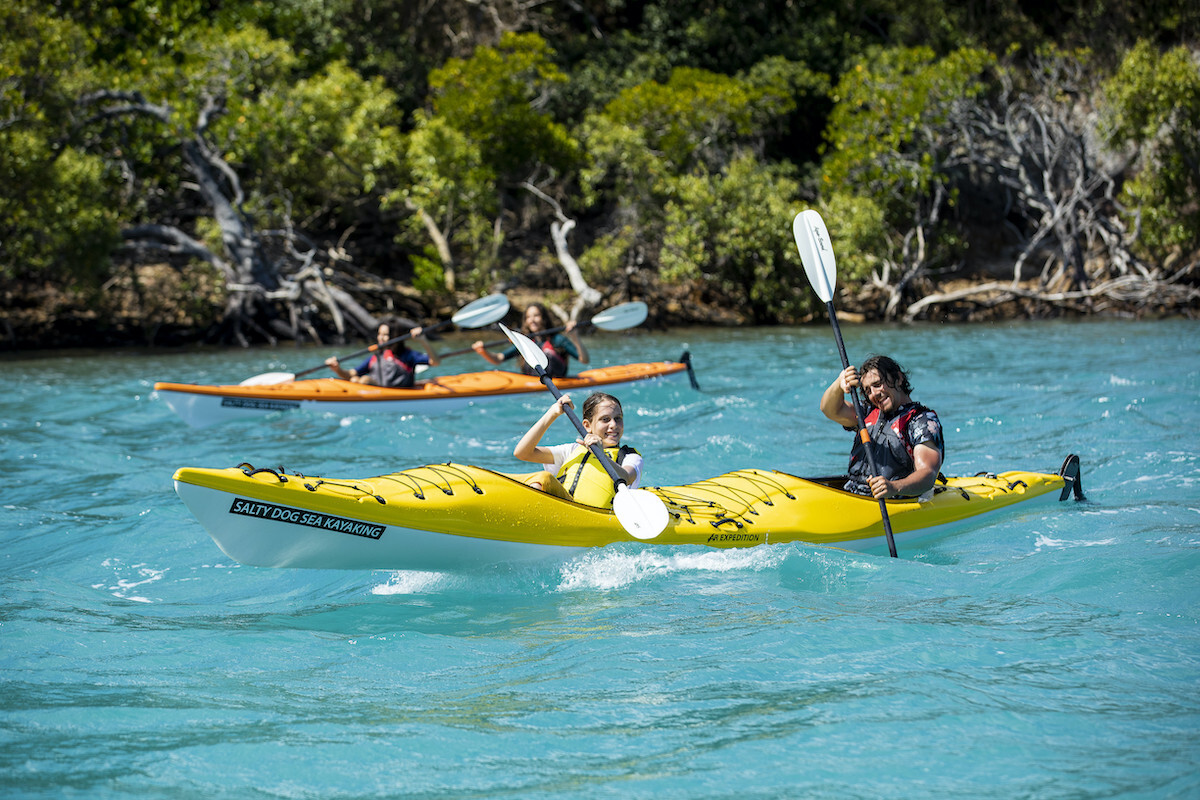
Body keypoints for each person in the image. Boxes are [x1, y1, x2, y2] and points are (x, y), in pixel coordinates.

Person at [819, 354, 944, 500]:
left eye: (877, 385)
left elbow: (927, 474)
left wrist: (894, 487)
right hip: (853, 494)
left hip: (890, 500)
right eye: (868, 390)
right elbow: (829, 409)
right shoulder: (867, 412)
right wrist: (839, 383)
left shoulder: (921, 421)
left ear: (898, 378)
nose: (874, 394)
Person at [512, 391, 643, 508]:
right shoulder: (572, 450)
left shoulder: (629, 456)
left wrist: (601, 455)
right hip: (564, 509)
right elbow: (523, 453)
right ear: (587, 425)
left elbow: (626, 477)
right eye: (605, 419)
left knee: (543, 478)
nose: (613, 425)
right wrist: (552, 413)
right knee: (542, 479)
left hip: (596, 515)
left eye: (618, 418)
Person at [471, 302, 588, 378]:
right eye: (528, 317)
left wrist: (575, 337)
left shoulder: (557, 340)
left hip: (558, 385)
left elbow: (584, 360)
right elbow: (498, 359)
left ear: (544, 318)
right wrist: (483, 351)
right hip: (531, 391)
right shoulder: (524, 342)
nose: (532, 320)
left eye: (536, 315)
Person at [325, 318, 441, 388]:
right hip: (375, 392)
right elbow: (351, 373)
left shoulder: (407, 355)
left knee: (364, 380)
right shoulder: (376, 357)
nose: (381, 338)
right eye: (380, 334)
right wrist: (337, 369)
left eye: (385, 335)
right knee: (356, 379)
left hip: (398, 395)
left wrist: (423, 341)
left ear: (395, 336)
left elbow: (435, 362)